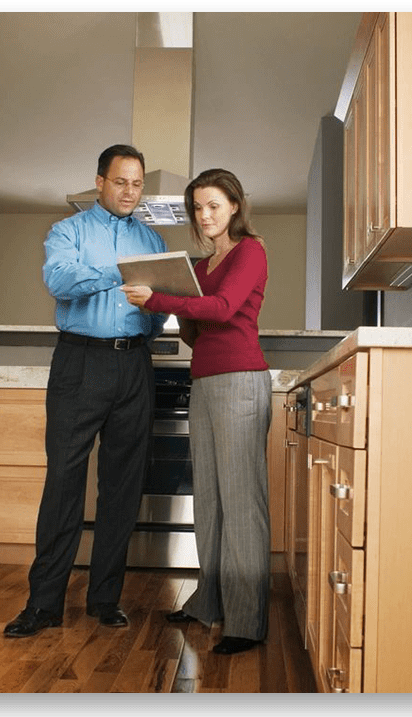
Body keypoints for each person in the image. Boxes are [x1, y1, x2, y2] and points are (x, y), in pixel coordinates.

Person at [4, 145, 168, 638]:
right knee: (64, 483)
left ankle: (104, 599)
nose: (129, 192)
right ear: (99, 181)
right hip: (80, 362)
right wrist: (120, 270)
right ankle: (44, 603)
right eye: (121, 182)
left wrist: (148, 323)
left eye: (137, 184)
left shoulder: (152, 238)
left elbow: (158, 307)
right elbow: (60, 280)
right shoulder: (68, 231)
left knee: (122, 486)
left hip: (134, 363)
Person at [122, 168, 271, 655]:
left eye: (213, 205)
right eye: (197, 208)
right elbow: (196, 333)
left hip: (241, 381)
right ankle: (209, 602)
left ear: (234, 206)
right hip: (205, 382)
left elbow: (226, 309)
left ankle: (247, 621)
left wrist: (159, 300)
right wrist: (177, 307)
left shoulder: (251, 251)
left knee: (242, 502)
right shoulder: (202, 266)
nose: (204, 216)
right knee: (209, 499)